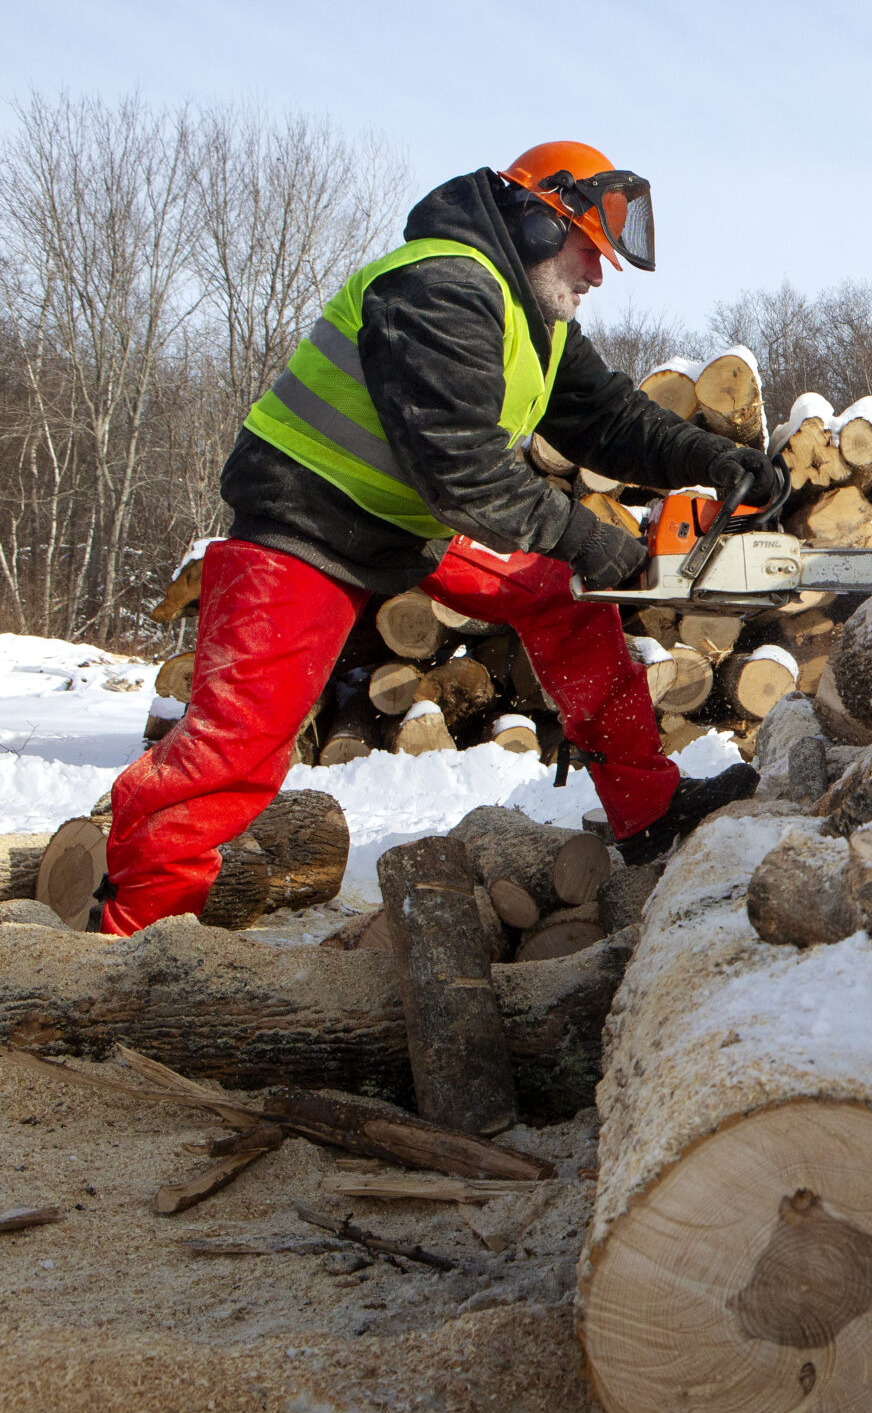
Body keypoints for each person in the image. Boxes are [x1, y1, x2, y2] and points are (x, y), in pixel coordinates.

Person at [99, 142, 784, 935]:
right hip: (305, 523)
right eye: (586, 251)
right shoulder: (440, 285)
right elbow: (461, 471)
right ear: (534, 222)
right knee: (234, 748)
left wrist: (716, 458)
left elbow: (608, 418)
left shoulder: (537, 318)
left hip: (404, 523)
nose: (597, 275)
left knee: (564, 598)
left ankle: (649, 807)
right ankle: (139, 947)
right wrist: (581, 537)